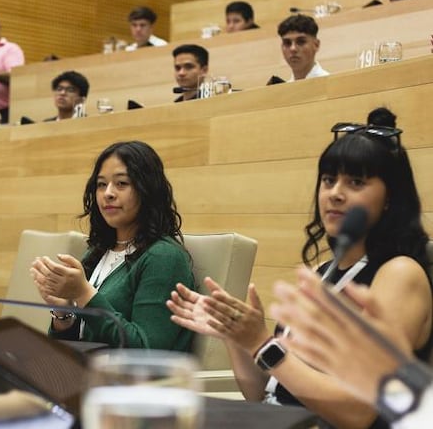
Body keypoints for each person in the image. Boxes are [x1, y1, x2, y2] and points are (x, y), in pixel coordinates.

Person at [168, 124, 432, 428]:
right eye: (329, 180)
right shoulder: (324, 272)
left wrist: (261, 344)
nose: (335, 194)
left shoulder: (400, 274)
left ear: (390, 198)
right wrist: (235, 335)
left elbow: (359, 412)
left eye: (356, 182)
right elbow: (262, 393)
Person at [31, 141, 195, 350]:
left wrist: (84, 294)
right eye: (101, 184)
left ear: (147, 189)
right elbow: (66, 351)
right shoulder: (98, 252)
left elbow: (147, 351)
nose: (108, 193)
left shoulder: (164, 257)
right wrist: (63, 313)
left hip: (133, 381)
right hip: (83, 376)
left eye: (121, 183)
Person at [270, 267, 433, 429]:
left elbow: (359, 414)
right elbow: (266, 393)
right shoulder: (324, 268)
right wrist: (249, 343)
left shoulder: (400, 273)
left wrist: (264, 350)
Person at [278, 15, 329, 81]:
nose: (293, 48)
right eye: (287, 43)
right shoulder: (282, 90)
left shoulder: (331, 85)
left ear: (316, 45)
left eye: (301, 42)